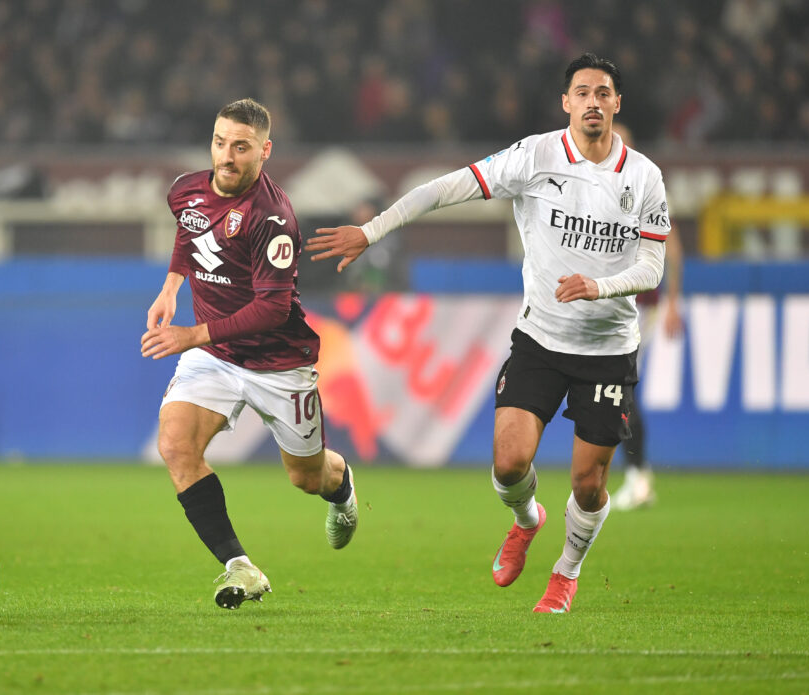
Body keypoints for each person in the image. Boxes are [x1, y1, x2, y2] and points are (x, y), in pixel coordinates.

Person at [305, 54, 673, 613]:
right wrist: (372, 230)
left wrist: (598, 288)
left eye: (604, 92)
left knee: (588, 486)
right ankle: (527, 520)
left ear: (617, 103)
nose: (593, 101)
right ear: (566, 103)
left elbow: (653, 269)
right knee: (507, 464)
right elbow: (444, 189)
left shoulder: (644, 176)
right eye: (582, 92)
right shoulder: (535, 156)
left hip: (607, 350)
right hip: (540, 340)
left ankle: (566, 573)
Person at [140, 98, 357, 611]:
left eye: (241, 147)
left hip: (278, 361)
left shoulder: (272, 218)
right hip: (215, 356)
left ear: (265, 150)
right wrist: (171, 285)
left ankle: (342, 486)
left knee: (306, 478)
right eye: (220, 143)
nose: (227, 156)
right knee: (175, 447)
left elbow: (274, 309)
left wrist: (192, 334)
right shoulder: (185, 189)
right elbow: (189, 230)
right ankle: (240, 566)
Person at [608, 122, 684, 511]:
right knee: (614, 389)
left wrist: (672, 302)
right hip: (607, 304)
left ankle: (638, 477)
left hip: (637, 306)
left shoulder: (644, 182)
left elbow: (673, 247)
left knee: (621, 388)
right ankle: (633, 476)